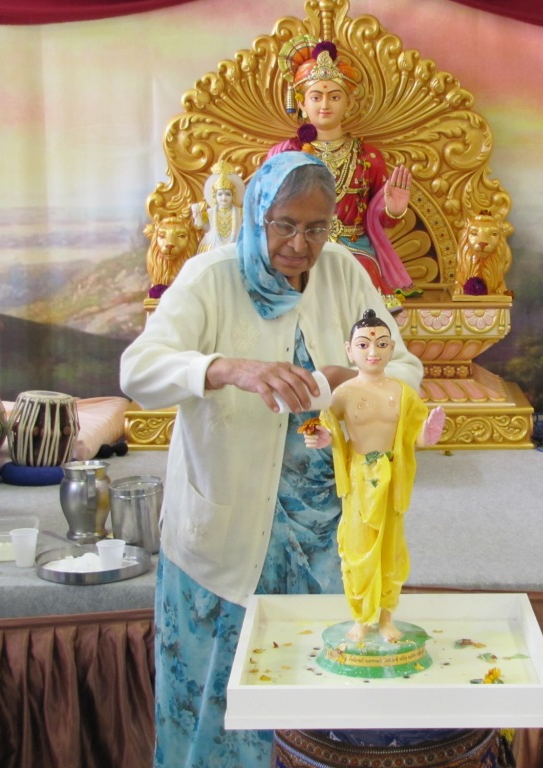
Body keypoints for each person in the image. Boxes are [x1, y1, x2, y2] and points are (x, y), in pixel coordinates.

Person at [120, 151, 422, 767]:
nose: (299, 245)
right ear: (257, 215)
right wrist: (226, 367)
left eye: (316, 228)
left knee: (318, 699)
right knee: (216, 702)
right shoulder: (210, 277)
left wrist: (352, 382)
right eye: (284, 225)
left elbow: (406, 368)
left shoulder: (343, 273)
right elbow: (138, 371)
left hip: (327, 534)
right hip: (228, 534)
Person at [302, 309, 444, 642]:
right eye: (364, 344)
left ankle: (386, 617)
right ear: (349, 350)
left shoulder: (403, 393)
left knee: (391, 549)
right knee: (358, 548)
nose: (373, 352)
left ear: (392, 348)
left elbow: (414, 436)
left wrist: (429, 434)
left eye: (381, 344)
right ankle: (362, 617)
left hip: (391, 476)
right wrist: (321, 437)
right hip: (359, 477)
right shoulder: (344, 393)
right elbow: (328, 427)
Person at [270, 39, 422, 310]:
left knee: (363, 293)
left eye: (334, 96)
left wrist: (393, 209)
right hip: (299, 246)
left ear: (349, 103)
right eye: (316, 97)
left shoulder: (368, 156)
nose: (325, 104)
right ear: (302, 104)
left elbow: (382, 220)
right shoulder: (286, 153)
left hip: (355, 248)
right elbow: (267, 209)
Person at [190, 158, 245, 254]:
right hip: (213, 247)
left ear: (233, 196)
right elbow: (202, 227)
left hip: (236, 248)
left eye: (228, 194)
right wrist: (197, 216)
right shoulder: (210, 213)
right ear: (214, 197)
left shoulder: (240, 212)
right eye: (220, 194)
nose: (224, 198)